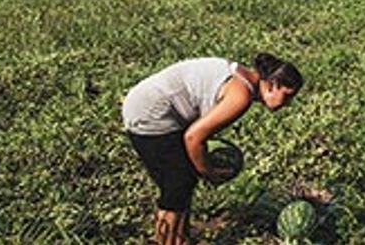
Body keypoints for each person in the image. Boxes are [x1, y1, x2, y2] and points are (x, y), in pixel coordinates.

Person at [122, 53, 304, 245]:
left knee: (181, 181)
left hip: (149, 104)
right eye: (287, 95)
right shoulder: (241, 96)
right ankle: (164, 241)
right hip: (150, 113)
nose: (287, 104)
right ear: (271, 84)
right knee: (178, 183)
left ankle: (179, 238)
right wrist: (208, 171)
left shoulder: (240, 75)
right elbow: (193, 137)